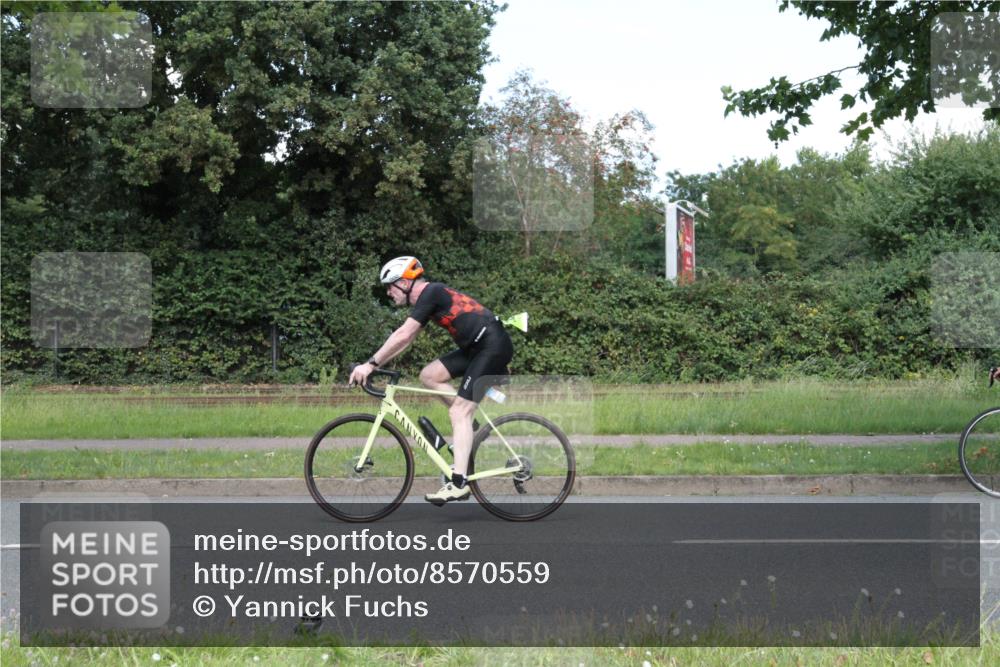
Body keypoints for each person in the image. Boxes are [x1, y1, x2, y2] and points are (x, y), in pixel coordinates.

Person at [348, 256, 513, 504]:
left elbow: (404, 334)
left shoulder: (431, 291)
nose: (388, 293)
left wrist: (370, 365)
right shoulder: (428, 299)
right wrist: (375, 364)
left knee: (459, 412)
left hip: (491, 346)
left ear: (404, 282)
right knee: (429, 375)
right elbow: (405, 340)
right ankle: (469, 428)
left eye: (390, 286)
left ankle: (458, 484)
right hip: (477, 348)